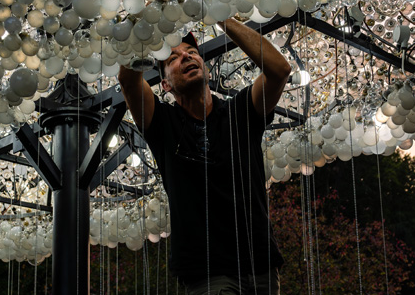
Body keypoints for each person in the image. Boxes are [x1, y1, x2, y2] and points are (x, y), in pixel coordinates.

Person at [118, 17, 292, 294]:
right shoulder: (162, 124)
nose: (186, 57)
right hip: (206, 272)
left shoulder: (241, 112)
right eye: (173, 58)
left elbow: (280, 70)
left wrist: (220, 15)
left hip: (260, 265)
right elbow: (128, 80)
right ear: (165, 85)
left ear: (207, 69)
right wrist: (154, 15)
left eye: (193, 53)